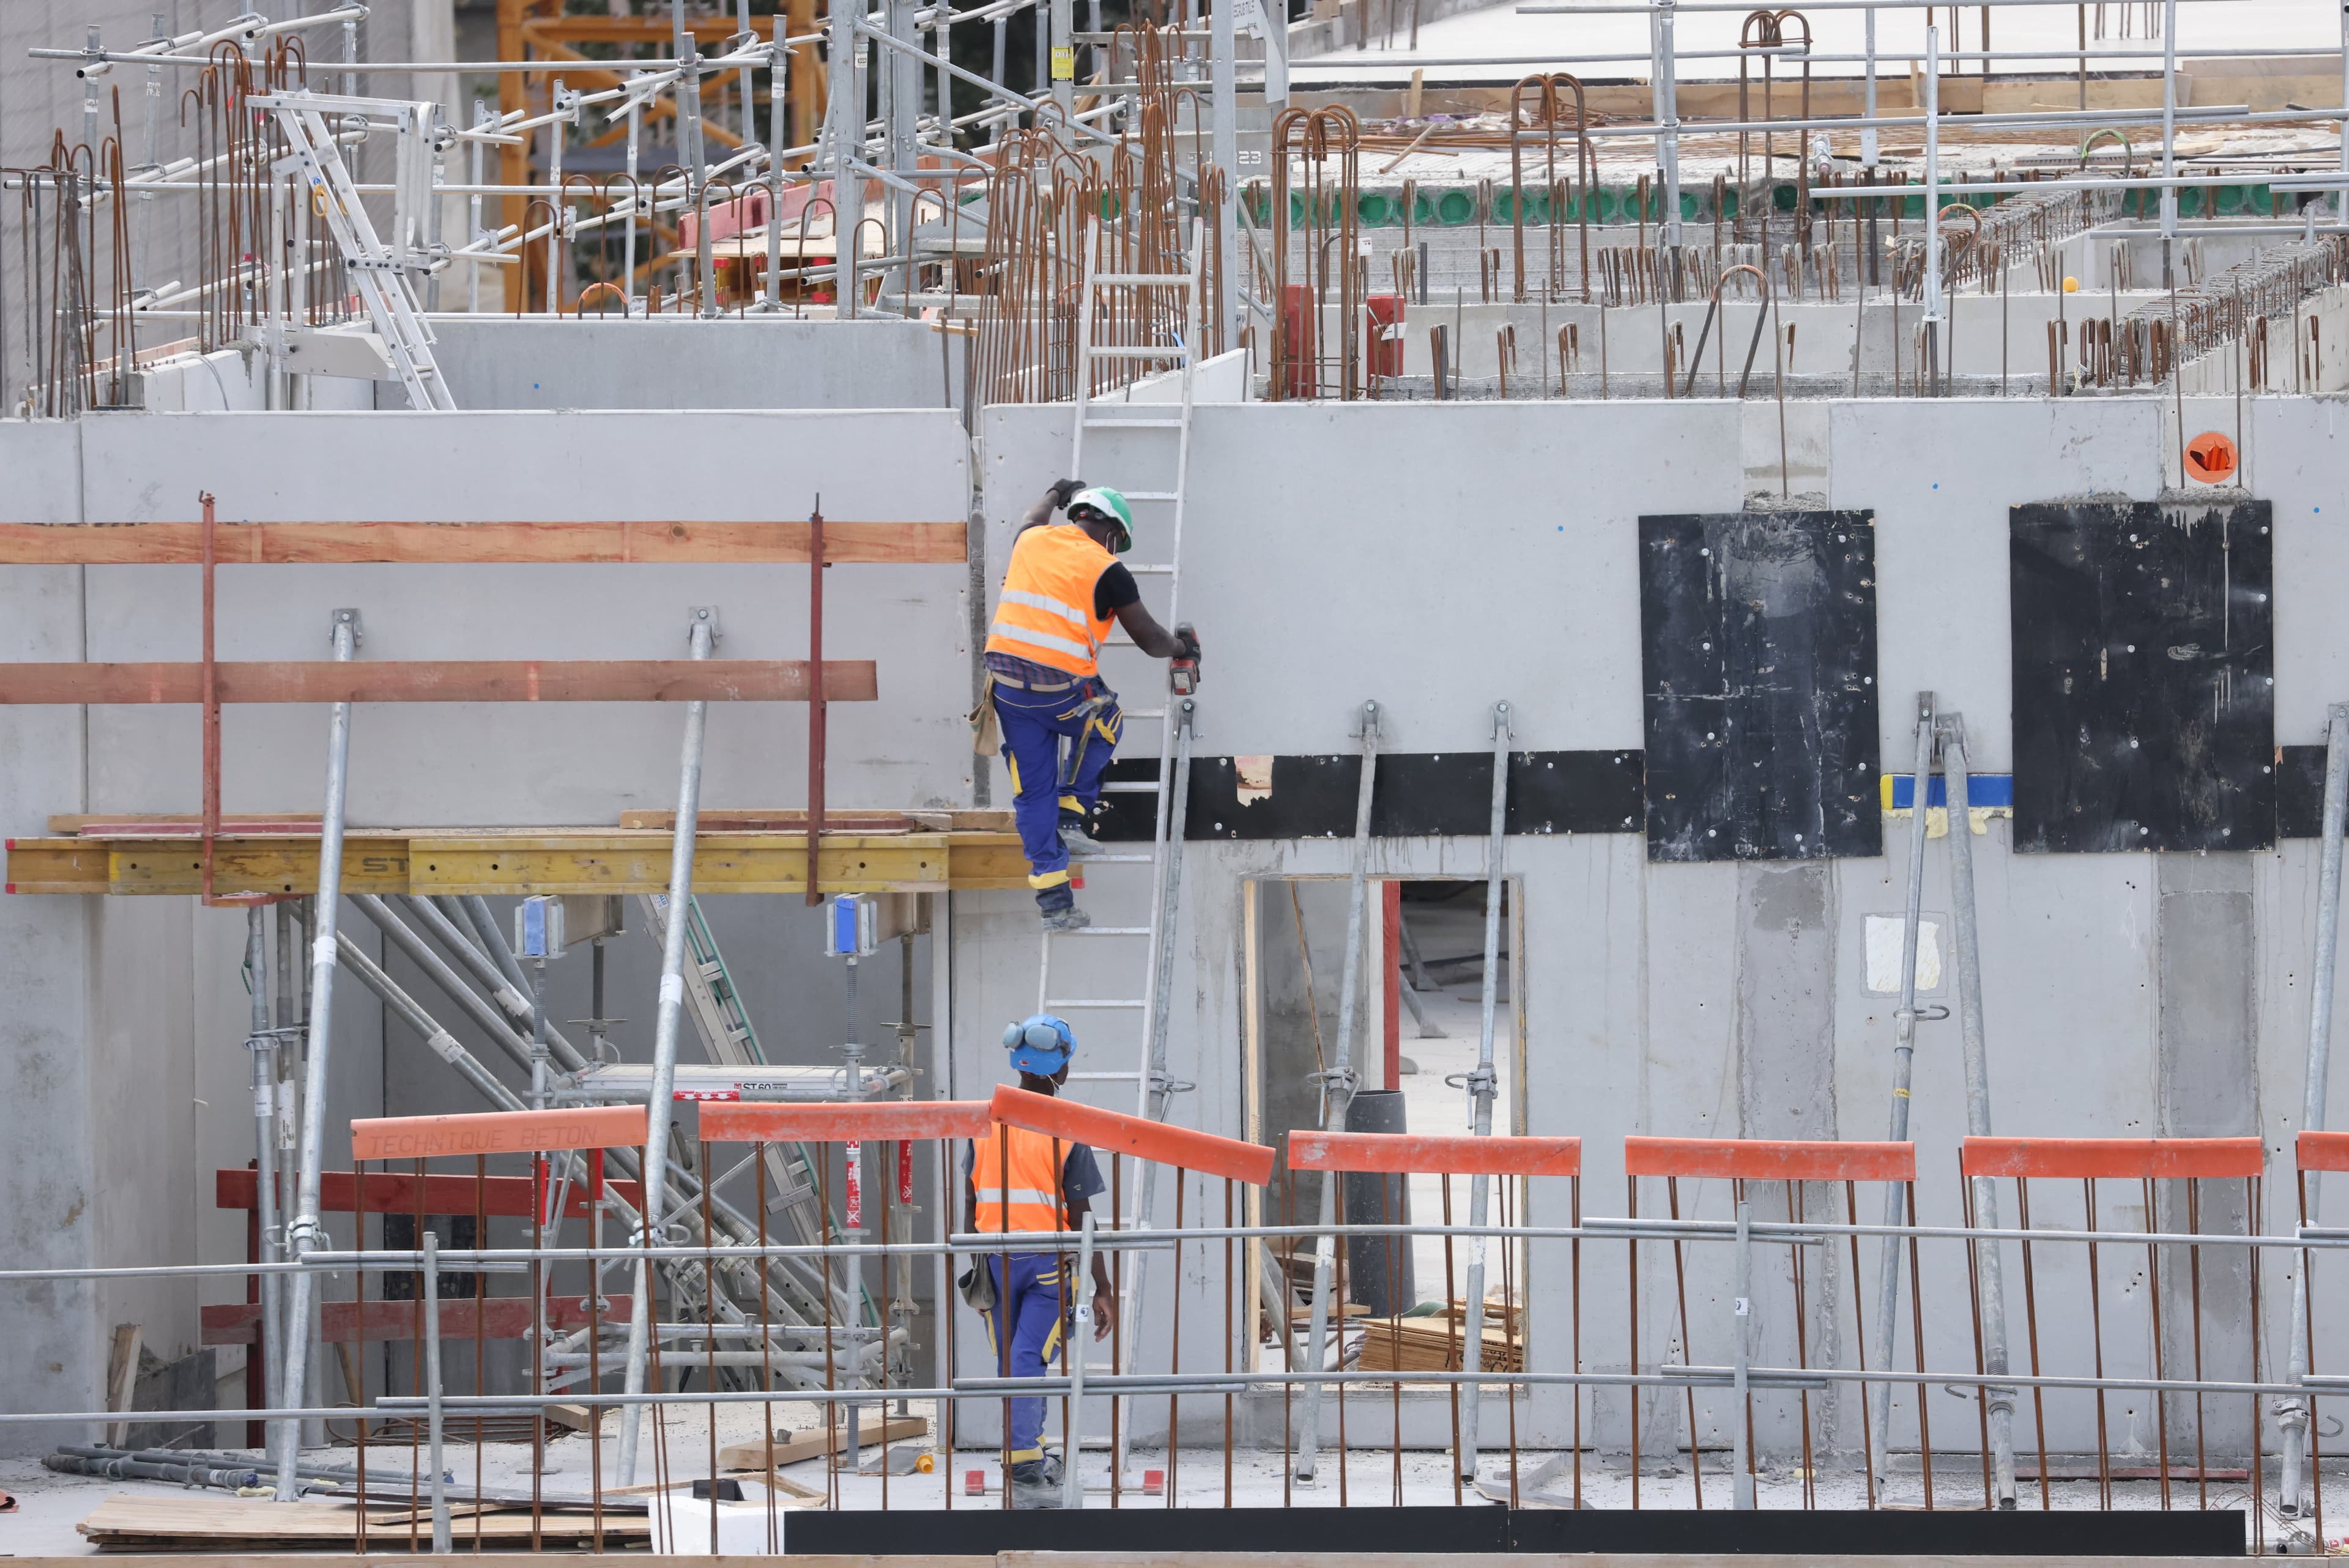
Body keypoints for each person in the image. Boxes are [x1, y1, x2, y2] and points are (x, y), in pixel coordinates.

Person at [979, 479, 1202, 930]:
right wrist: (1186, 647)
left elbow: (1032, 516)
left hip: (1006, 688)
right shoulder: (1108, 569)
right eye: (1120, 541)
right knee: (1105, 717)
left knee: (1031, 790)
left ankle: (1055, 902)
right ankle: (1072, 812)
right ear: (1112, 531)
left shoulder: (1033, 540)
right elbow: (1149, 640)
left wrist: (1054, 491)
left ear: (1076, 515)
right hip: (1060, 692)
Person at [963, 1014, 1116, 1509]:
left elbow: (971, 1198)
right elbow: (1083, 1214)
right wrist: (1104, 1287)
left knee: (1016, 1359)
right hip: (1047, 1263)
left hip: (996, 1260)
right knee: (1027, 1358)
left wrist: (971, 1255)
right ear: (1061, 1069)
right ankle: (1026, 1463)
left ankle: (1029, 1449)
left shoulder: (986, 1120)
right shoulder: (1065, 1127)